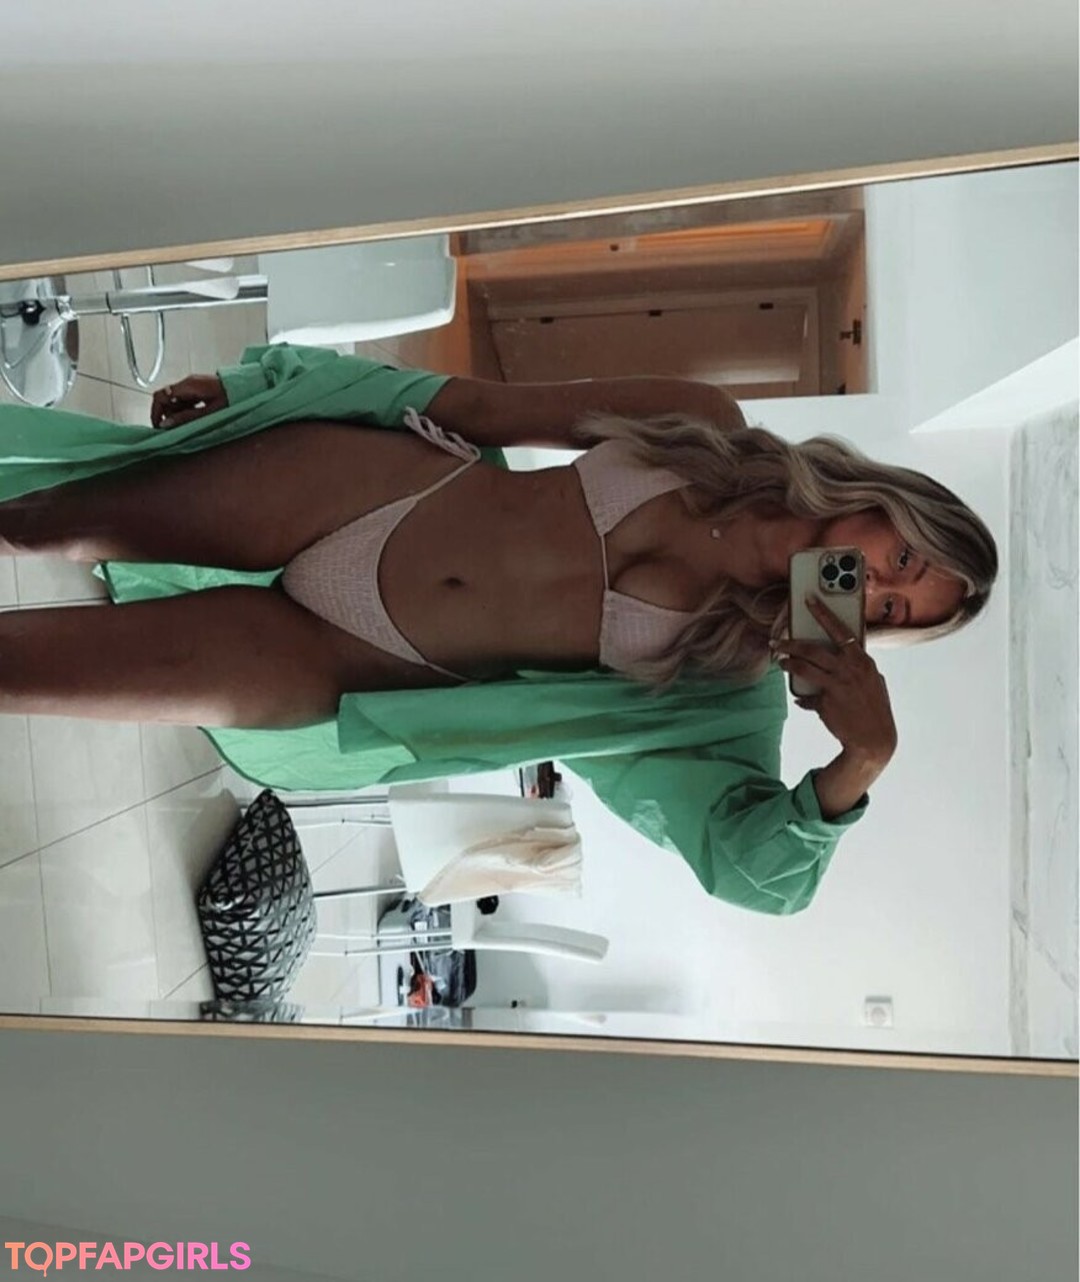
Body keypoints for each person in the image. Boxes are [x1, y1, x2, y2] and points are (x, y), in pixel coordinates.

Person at [0, 345, 997, 913]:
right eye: (905, 559)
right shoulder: (708, 423)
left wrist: (859, 759)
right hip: (365, 488)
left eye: (893, 611)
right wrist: (272, 386)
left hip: (359, 663)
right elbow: (481, 405)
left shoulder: (731, 689)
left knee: (26, 673)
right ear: (892, 500)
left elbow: (753, 877)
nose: (877, 586)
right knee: (39, 515)